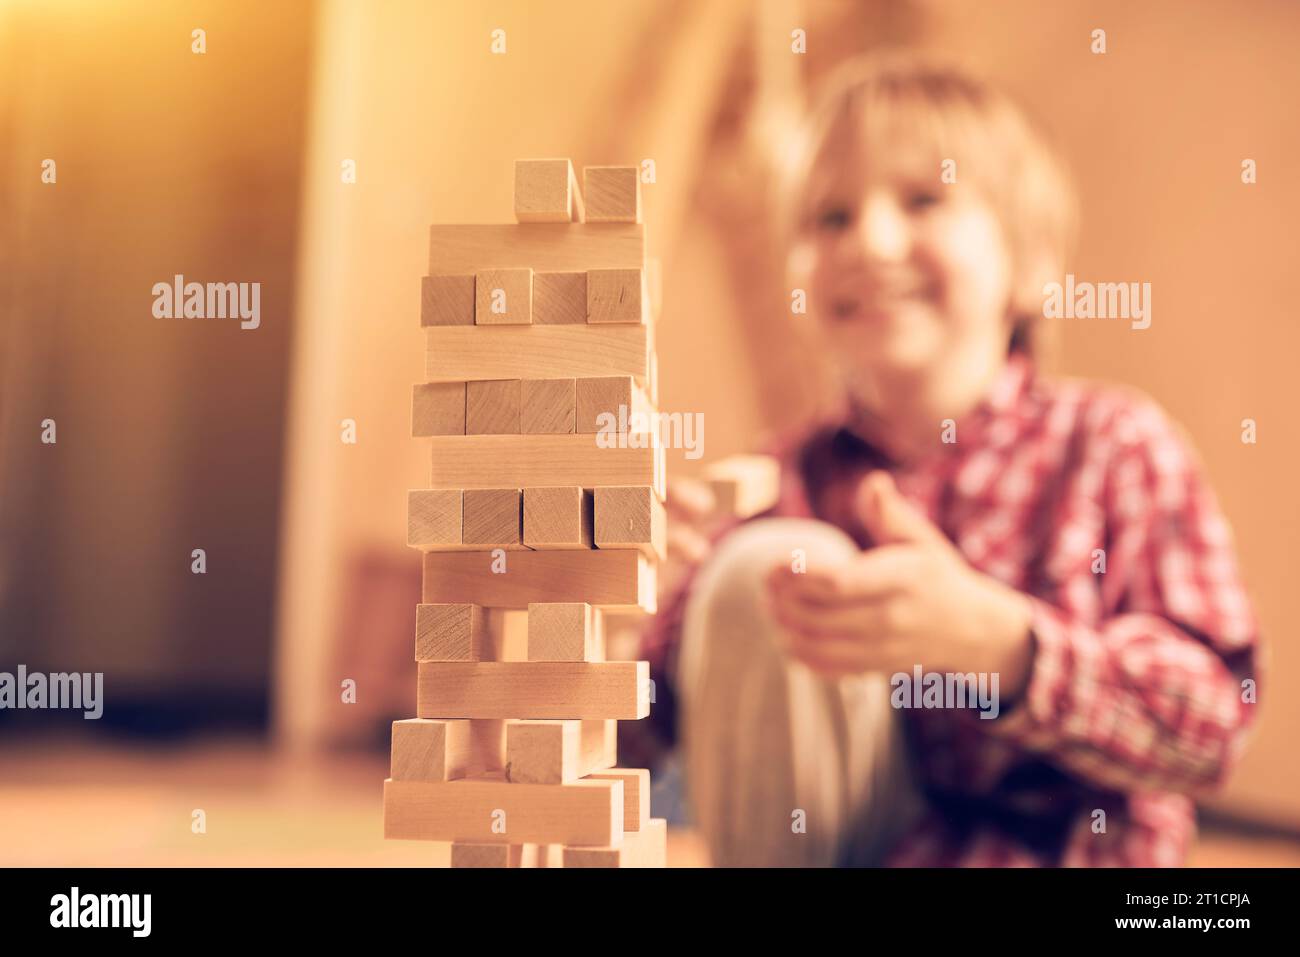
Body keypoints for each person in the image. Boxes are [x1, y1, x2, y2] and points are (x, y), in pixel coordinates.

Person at [638, 53, 1261, 867]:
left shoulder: (1118, 446)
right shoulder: (780, 481)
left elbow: (1209, 727)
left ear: (1030, 263)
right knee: (762, 564)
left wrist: (997, 642)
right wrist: (630, 614)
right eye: (830, 218)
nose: (870, 240)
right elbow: (640, 748)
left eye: (924, 198)